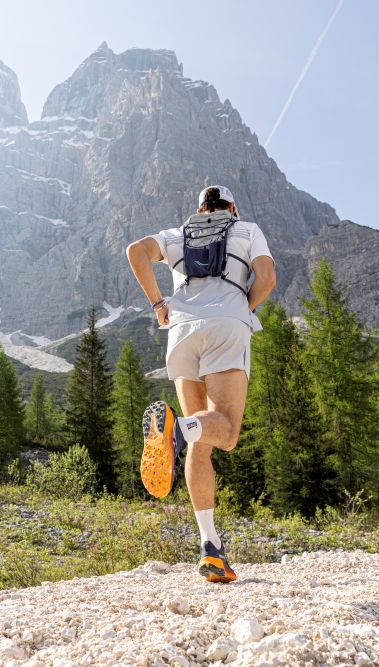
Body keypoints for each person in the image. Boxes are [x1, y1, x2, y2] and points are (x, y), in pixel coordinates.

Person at [125, 184, 276, 583]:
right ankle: (177, 428)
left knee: (200, 440)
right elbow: (267, 278)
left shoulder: (177, 234)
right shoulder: (247, 230)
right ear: (232, 208)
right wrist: (244, 308)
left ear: (199, 209)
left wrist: (158, 304)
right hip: (226, 326)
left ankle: (211, 547)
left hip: (181, 332)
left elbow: (135, 251)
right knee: (224, 430)